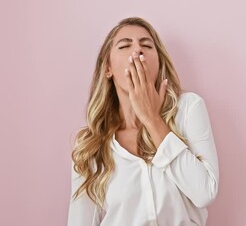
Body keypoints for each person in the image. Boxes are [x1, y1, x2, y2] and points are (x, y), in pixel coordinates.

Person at [67, 17, 219, 226]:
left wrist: (152, 119)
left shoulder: (188, 109)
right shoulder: (92, 145)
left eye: (147, 45)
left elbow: (204, 193)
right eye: (125, 45)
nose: (137, 51)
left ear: (158, 62)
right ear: (108, 68)